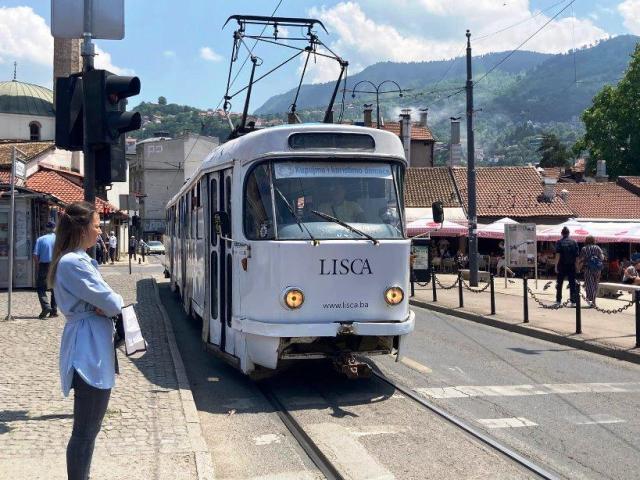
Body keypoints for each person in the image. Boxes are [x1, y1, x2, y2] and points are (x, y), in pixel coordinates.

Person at [47, 201, 123, 480]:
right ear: (81, 229)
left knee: (89, 430)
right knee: (85, 432)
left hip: (91, 344)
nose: (99, 230)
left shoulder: (76, 260)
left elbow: (106, 302)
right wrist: (108, 303)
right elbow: (113, 301)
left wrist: (104, 304)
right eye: (95, 225)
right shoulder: (73, 263)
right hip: (88, 350)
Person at [33, 221, 58, 318]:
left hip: (44, 265)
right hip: (55, 265)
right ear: (54, 229)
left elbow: (35, 255)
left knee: (40, 288)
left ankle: (46, 306)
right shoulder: (58, 239)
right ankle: (54, 311)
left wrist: (38, 266)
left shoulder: (40, 239)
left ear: (46, 228)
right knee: (54, 288)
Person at [554, 226, 579, 307]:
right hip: (571, 266)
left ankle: (558, 300)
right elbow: (576, 257)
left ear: (562, 233)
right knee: (572, 284)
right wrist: (577, 267)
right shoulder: (574, 242)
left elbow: (558, 255)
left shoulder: (559, 242)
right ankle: (573, 301)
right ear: (569, 233)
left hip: (561, 265)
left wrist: (556, 266)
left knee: (559, 283)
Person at [579, 235, 604, 306]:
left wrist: (579, 267)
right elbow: (602, 258)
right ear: (594, 240)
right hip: (597, 269)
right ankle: (594, 300)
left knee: (589, 284)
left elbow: (581, 259)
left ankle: (590, 299)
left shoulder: (584, 248)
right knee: (596, 284)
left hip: (588, 268)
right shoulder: (597, 247)